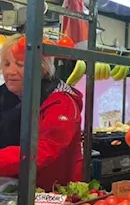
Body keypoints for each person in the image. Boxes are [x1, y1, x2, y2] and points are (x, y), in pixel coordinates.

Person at [0, 34, 83, 189]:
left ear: (43, 68)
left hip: (53, 193)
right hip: (12, 191)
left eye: (20, 64)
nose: (10, 71)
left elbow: (42, 151)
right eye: (6, 64)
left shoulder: (62, 103)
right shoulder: (5, 96)